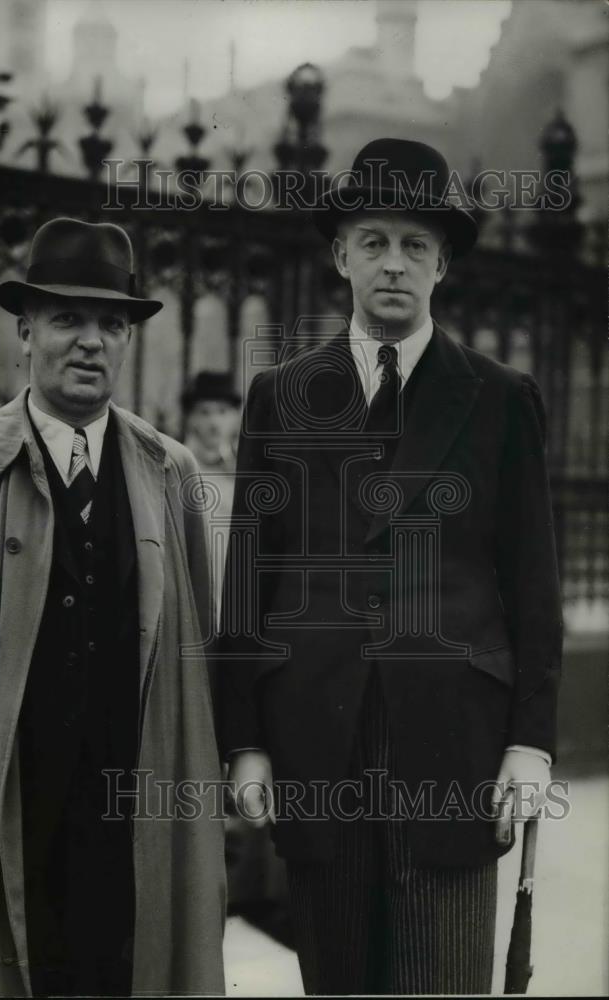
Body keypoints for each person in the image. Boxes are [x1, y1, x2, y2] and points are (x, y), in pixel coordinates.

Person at [218, 139, 562, 995]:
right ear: (340, 255)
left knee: (439, 976)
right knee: (336, 978)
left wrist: (529, 742)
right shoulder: (280, 396)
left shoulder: (499, 398)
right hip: (315, 732)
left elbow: (532, 584)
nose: (393, 264)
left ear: (443, 263)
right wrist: (248, 742)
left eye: (415, 246)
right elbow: (249, 580)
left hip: (456, 742)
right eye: (372, 242)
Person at [0, 218, 226, 997]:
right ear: (24, 332)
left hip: (129, 818)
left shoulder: (171, 475)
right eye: (66, 320)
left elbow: (200, 657)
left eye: (110, 323)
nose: (90, 342)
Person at [182, 371, 241, 599]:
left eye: (223, 412)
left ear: (236, 416)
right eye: (204, 412)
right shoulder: (176, 467)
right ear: (191, 418)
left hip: (232, 588)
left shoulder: (244, 470)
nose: (214, 422)